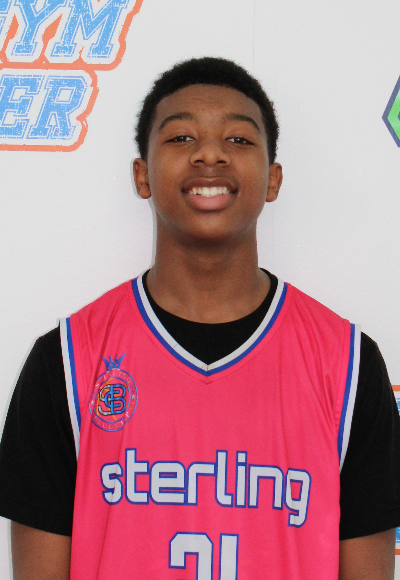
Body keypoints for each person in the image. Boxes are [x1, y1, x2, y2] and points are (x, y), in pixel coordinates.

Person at [0, 57, 399, 580]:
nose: (210, 154)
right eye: (181, 137)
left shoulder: (346, 365)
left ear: (273, 179)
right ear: (142, 175)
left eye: (238, 139)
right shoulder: (68, 360)